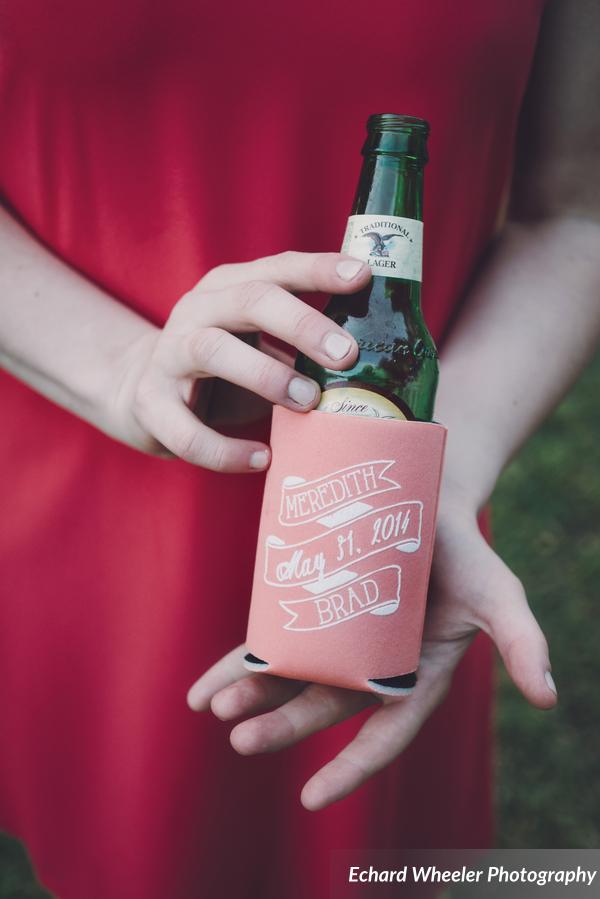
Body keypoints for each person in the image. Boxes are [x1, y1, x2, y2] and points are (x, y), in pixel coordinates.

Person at [0, 1, 599, 896]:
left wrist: (434, 471)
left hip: (390, 537)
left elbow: (577, 213)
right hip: (89, 477)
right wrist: (123, 368)